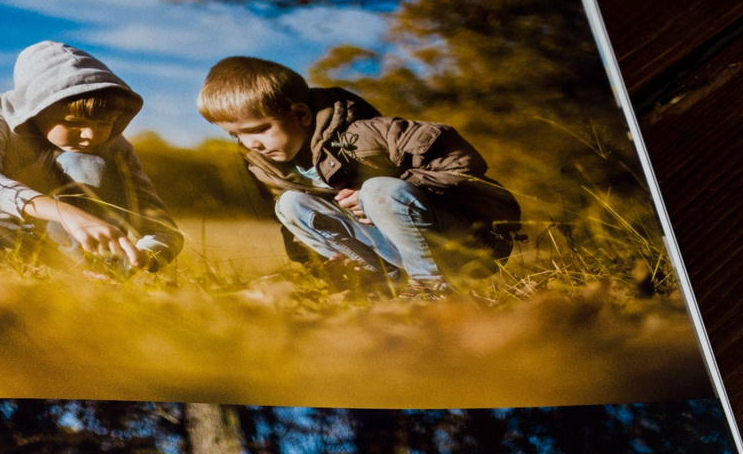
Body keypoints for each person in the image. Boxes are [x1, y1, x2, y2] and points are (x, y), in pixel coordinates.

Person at [197, 56, 521, 293]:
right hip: (391, 247)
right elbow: (293, 229)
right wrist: (323, 267)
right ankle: (381, 280)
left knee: (379, 189)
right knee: (289, 204)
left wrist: (385, 193)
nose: (250, 143)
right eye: (236, 135)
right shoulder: (265, 163)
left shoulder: (369, 133)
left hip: (461, 241)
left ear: (300, 114)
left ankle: (431, 286)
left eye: (259, 129)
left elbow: (461, 162)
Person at [0, 41, 184, 274]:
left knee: (87, 161)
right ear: (37, 106)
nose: (91, 135)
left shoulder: (113, 143)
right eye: (74, 122)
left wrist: (145, 255)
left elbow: (159, 223)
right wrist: (67, 214)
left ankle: (97, 274)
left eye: (105, 122)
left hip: (77, 249)